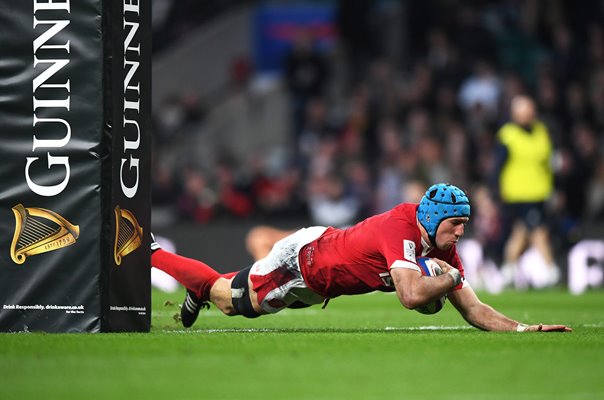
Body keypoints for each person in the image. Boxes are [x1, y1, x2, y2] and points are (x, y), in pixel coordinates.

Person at [151, 183, 571, 332]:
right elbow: (410, 295)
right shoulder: (399, 228)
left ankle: (196, 291)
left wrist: (524, 329)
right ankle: (150, 251)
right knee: (227, 300)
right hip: (304, 261)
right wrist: (445, 280)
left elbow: (474, 309)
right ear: (435, 218)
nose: (461, 233)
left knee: (234, 296)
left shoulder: (442, 246)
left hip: (320, 285)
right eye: (456, 223)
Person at [495, 95, 560, 288]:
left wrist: (555, 188)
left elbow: (549, 163)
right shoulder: (507, 135)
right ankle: (551, 270)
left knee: (521, 232)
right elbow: (498, 166)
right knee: (538, 230)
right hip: (517, 194)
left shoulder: (542, 132)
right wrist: (496, 190)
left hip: (540, 192)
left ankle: (507, 270)